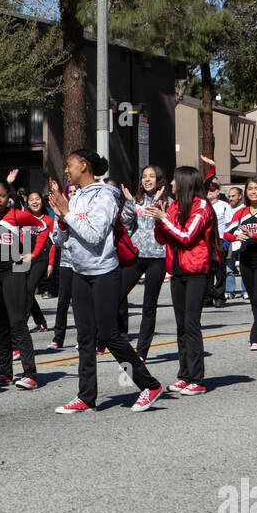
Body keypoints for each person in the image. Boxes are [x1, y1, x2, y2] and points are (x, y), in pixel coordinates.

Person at [46, 149, 162, 413]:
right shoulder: (74, 198)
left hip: (105, 273)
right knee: (85, 337)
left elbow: (96, 235)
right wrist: (62, 222)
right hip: (79, 272)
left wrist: (68, 214)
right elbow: (62, 240)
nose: (66, 170)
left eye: (69, 165)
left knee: (109, 335)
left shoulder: (106, 196)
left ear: (84, 166)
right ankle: (86, 396)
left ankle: (149, 385)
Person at [0, 179, 47, 389]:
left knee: (17, 322)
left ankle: (30, 373)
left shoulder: (17, 215)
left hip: (13, 271)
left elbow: (43, 228)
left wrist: (33, 254)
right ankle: (5, 372)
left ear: (9, 198)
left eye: (2, 196)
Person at [151, 166, 215, 395]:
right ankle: (184, 375)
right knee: (180, 326)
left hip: (196, 271)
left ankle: (197, 379)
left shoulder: (203, 206)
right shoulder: (175, 206)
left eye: (175, 181)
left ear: (186, 183)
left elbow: (187, 236)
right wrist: (160, 218)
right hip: (177, 270)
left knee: (191, 325)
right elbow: (162, 238)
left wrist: (165, 218)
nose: (171, 184)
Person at [118, 165, 170, 361]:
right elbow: (124, 223)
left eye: (151, 176)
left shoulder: (169, 202)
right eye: (144, 176)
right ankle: (107, 338)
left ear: (159, 179)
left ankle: (142, 352)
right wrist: (130, 204)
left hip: (158, 257)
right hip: (137, 255)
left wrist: (159, 208)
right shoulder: (136, 200)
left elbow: (168, 227)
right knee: (116, 295)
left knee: (149, 306)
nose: (147, 179)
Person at [222, 177, 257, 350]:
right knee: (254, 300)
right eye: (250, 189)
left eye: (256, 188)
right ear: (245, 193)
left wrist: (254, 235)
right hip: (246, 259)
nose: (253, 191)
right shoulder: (241, 212)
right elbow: (226, 234)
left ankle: (255, 338)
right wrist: (236, 237)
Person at [47, 183, 75, 351]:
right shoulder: (60, 214)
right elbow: (57, 241)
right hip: (66, 262)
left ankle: (86, 337)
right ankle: (58, 338)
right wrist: (62, 221)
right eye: (69, 191)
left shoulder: (83, 211)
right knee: (63, 301)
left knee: (80, 304)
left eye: (75, 191)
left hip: (83, 263)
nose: (72, 194)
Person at [24, 190, 53, 332]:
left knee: (29, 289)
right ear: (28, 204)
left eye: (37, 199)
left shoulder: (48, 220)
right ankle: (41, 322)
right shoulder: (24, 218)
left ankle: (21, 323)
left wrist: (51, 264)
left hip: (42, 259)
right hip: (26, 258)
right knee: (24, 290)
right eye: (31, 200)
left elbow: (53, 244)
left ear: (42, 202)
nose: (34, 202)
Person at [205, 179, 231, 308]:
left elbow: (230, 224)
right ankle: (208, 297)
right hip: (205, 241)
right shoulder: (203, 205)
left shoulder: (224, 206)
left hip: (220, 240)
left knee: (220, 269)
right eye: (208, 190)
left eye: (212, 190)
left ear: (218, 192)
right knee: (207, 269)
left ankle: (220, 296)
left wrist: (227, 240)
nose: (209, 193)